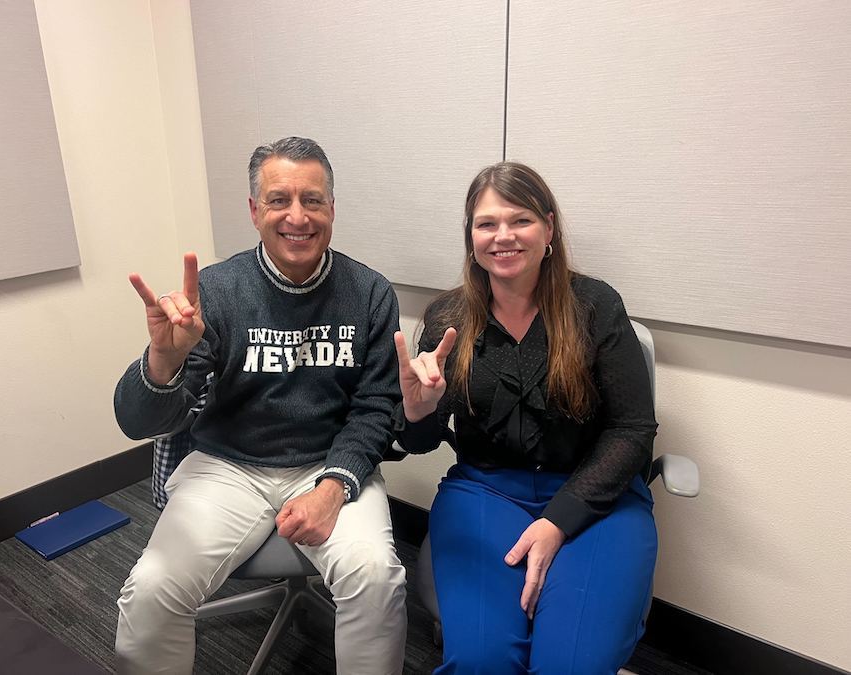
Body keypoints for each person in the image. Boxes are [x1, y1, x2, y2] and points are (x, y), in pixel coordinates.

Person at [113, 137, 407, 675]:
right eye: (279, 200)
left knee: (376, 577)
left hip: (327, 462)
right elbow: (138, 422)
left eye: (313, 200)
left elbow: (376, 408)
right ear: (254, 211)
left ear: (333, 209)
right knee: (151, 590)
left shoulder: (369, 292)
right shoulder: (217, 292)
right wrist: (162, 362)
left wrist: (334, 485)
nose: (297, 216)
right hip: (228, 467)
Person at [393, 162, 658, 674]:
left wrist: (558, 521)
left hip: (596, 498)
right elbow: (420, 440)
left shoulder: (595, 306)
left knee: (569, 665)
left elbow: (633, 430)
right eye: (486, 223)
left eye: (520, 221)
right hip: (484, 492)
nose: (503, 236)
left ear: (549, 229)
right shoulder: (449, 319)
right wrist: (417, 410)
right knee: (480, 662)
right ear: (470, 237)